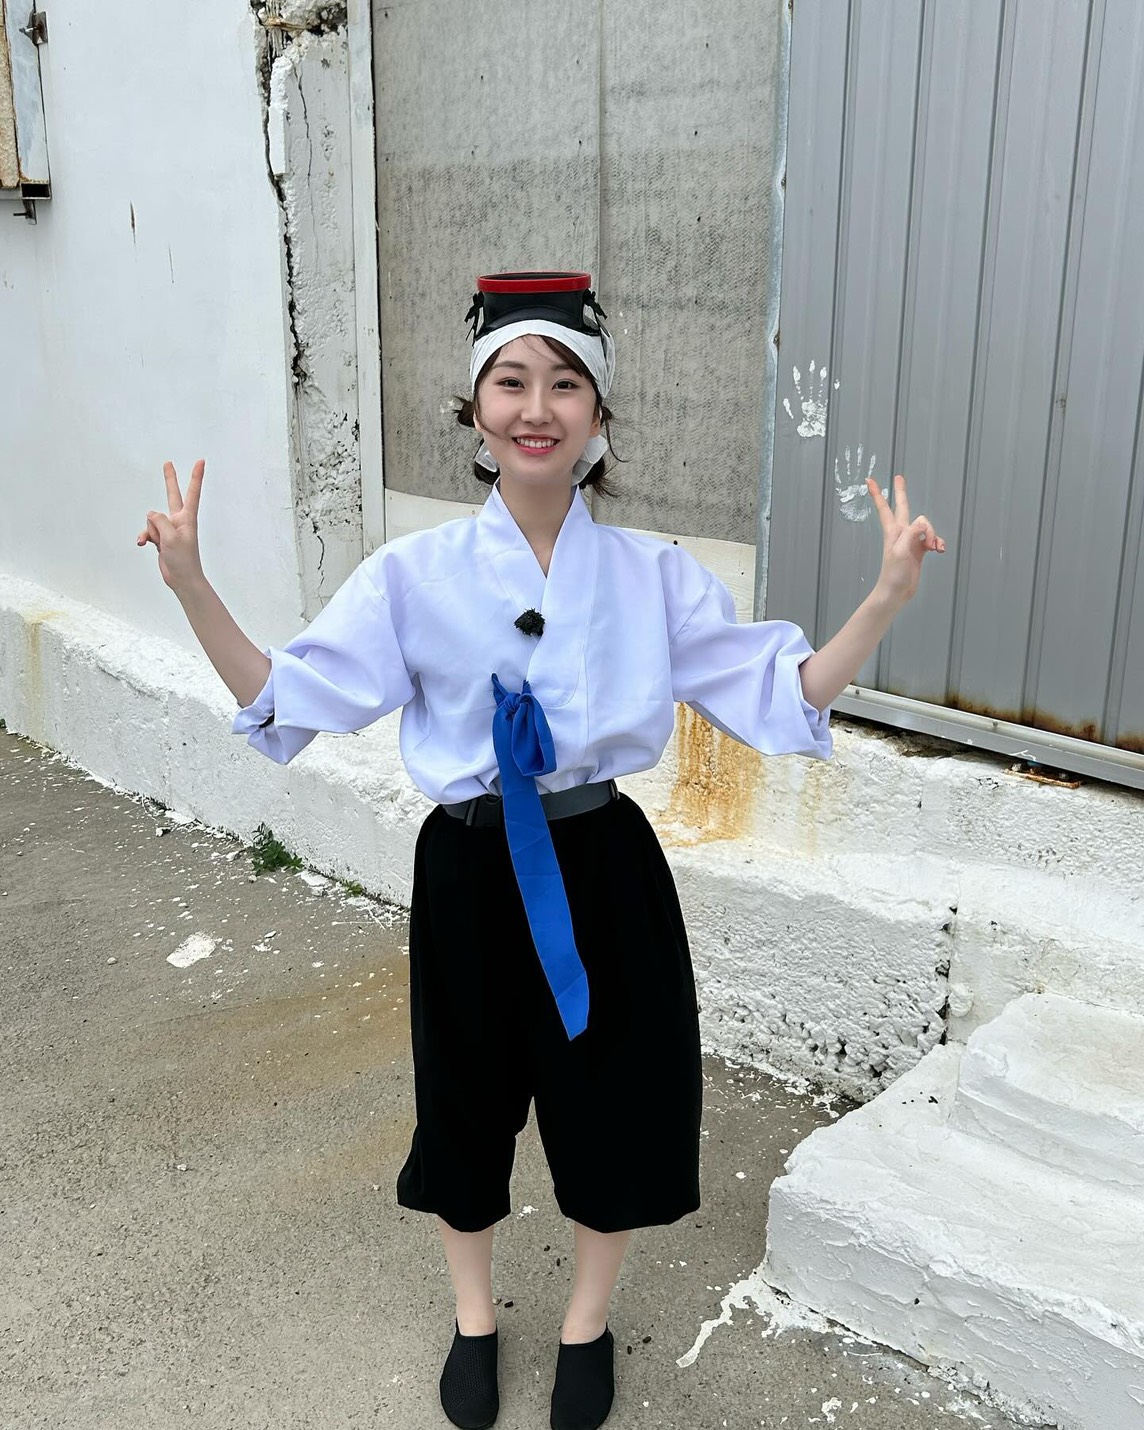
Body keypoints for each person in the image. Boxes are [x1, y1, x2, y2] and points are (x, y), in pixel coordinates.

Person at [138, 271, 944, 1430]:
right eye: (510, 381)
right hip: (468, 872)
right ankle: (474, 1317)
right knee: (462, 1102)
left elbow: (782, 689)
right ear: (475, 411)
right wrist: (190, 584)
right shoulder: (413, 574)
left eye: (565, 384)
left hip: (601, 864)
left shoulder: (652, 575)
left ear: (598, 414)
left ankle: (584, 1321)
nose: (536, 406)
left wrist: (882, 599)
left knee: (611, 1101)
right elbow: (288, 696)